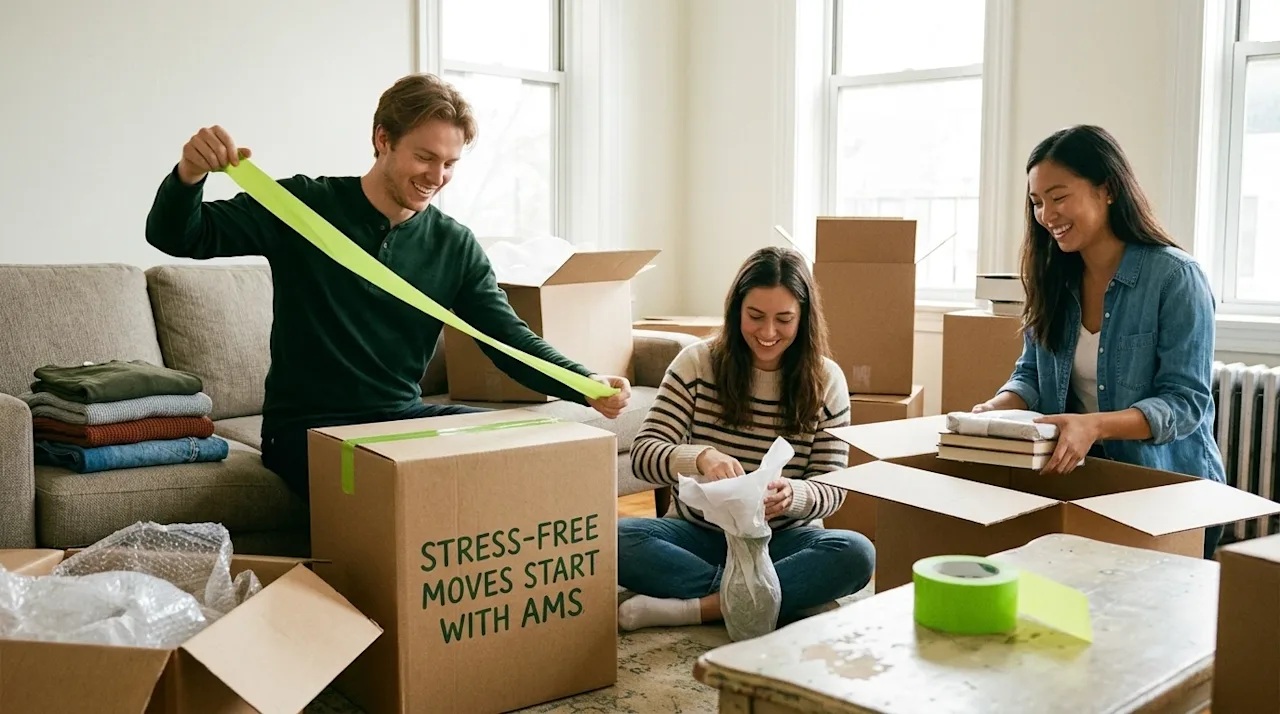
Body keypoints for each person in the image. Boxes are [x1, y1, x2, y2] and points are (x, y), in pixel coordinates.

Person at [145, 73, 630, 501]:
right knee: (425, 491)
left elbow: (506, 339)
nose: (437, 177)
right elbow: (179, 235)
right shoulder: (303, 206)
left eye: (450, 163)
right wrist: (189, 175)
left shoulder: (453, 245)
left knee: (531, 450)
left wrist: (583, 384)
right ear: (383, 139)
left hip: (402, 420)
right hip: (307, 431)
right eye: (425, 157)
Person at [973, 124, 1226, 558]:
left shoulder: (1175, 278)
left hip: (1166, 489)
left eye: (1059, 196)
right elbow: (1032, 374)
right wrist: (995, 409)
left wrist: (1094, 426)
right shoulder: (1053, 278)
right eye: (1036, 202)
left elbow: (1186, 404)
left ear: (1106, 190)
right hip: (1083, 483)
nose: (1046, 215)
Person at [615, 246, 874, 633]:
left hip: (779, 541)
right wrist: (699, 457)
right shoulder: (697, 363)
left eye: (783, 319)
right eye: (755, 317)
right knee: (612, 540)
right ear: (736, 310)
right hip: (698, 534)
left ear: (803, 319)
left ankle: (696, 608)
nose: (767, 333)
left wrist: (793, 494)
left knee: (856, 554)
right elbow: (643, 456)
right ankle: (769, 599)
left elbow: (834, 486)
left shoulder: (827, 380)